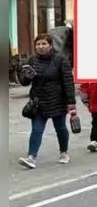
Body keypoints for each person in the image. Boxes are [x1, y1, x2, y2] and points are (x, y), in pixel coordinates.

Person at [17, 34, 78, 169]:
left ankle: (63, 153)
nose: (41, 47)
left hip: (57, 100)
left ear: (50, 45)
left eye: (44, 44)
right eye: (38, 44)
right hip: (38, 102)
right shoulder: (32, 61)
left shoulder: (61, 60)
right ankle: (31, 157)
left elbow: (68, 82)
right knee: (36, 130)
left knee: (60, 128)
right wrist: (25, 76)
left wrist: (71, 103)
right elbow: (24, 82)